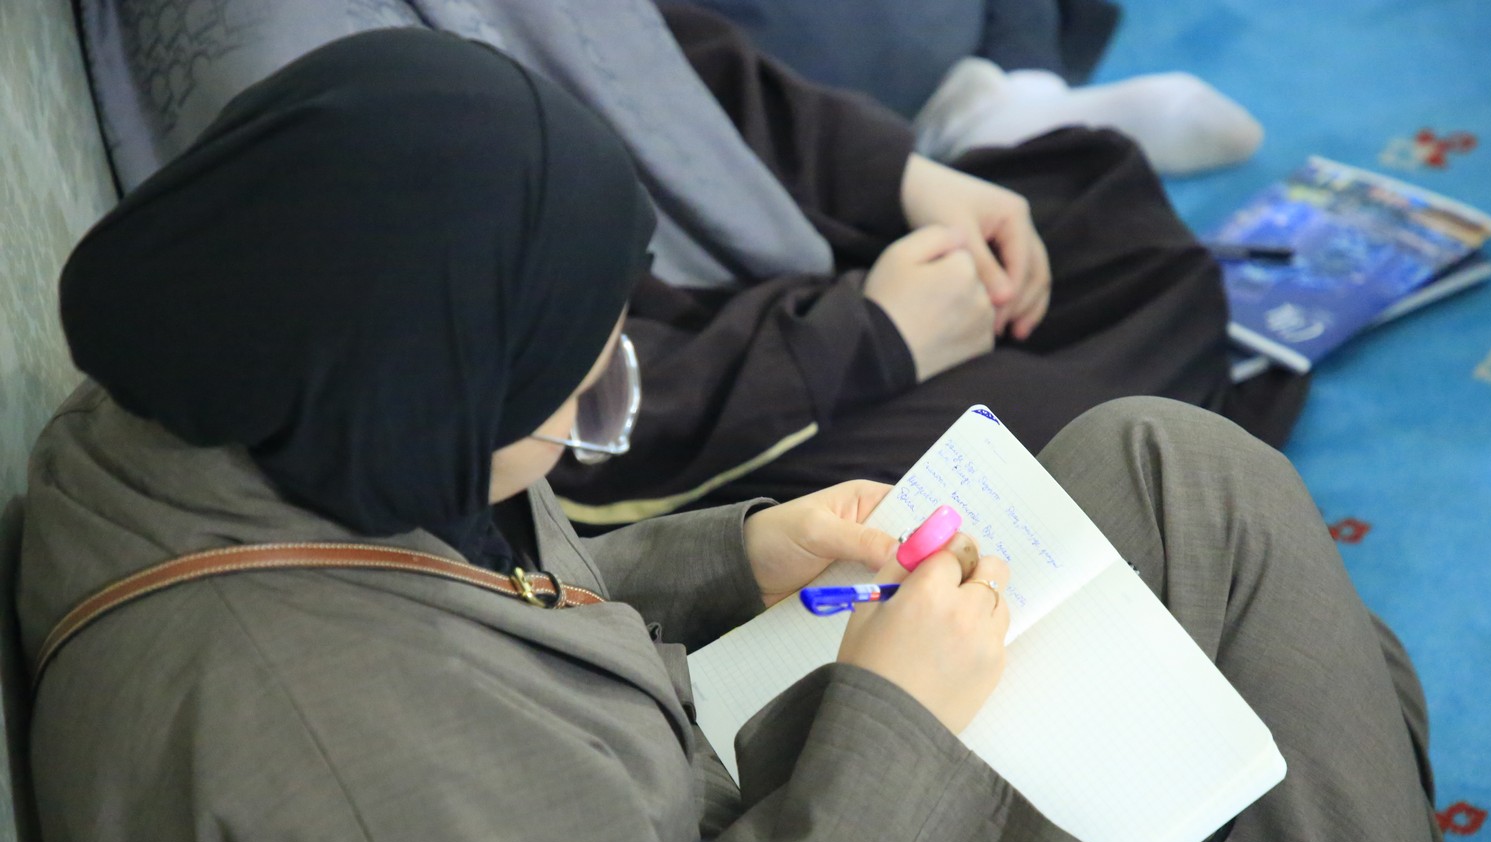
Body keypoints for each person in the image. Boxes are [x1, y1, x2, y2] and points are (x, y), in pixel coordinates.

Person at [17, 29, 1490, 842]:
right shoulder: (367, 777)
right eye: (576, 390)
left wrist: (737, 552)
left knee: (1173, 469)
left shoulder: (222, 398)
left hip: (665, 837)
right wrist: (900, 724)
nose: (594, 416)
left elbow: (446, 601)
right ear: (432, 402)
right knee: (1307, 657)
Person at [73, 0, 1307, 531]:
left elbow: (659, 62)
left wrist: (898, 179)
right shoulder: (259, 53)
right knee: (1065, 425)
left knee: (1107, 225)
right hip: (640, 414)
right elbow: (487, 401)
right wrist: (868, 338)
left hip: (722, 270)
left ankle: (980, 127)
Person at [687, 0, 1266, 177]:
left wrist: (1026, 67)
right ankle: (971, 127)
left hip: (974, 55)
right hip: (808, 129)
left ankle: (1019, 97)